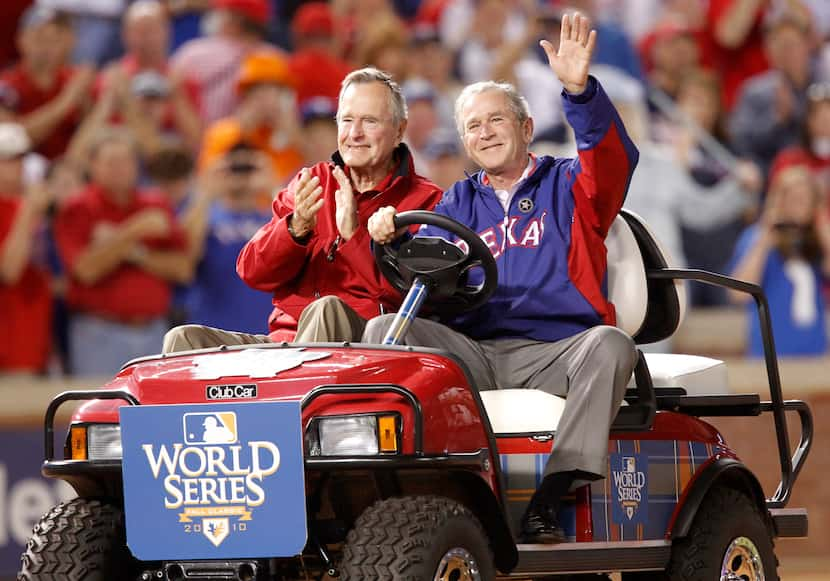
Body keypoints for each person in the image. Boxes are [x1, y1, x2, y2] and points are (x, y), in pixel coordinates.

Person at [363, 14, 639, 544]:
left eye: (496, 120)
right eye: (473, 126)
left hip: (556, 349)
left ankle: (556, 490)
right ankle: (400, 486)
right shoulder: (456, 203)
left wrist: (579, 93)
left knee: (610, 345)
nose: (484, 132)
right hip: (475, 350)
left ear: (526, 128)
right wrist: (387, 239)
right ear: (464, 142)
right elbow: (426, 285)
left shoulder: (570, 185)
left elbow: (611, 161)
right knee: (384, 333)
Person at [161, 67, 443, 352]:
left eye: (369, 121)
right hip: (284, 343)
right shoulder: (311, 182)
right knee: (183, 340)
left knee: (327, 310)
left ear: (399, 131)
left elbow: (416, 298)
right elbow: (252, 271)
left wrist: (354, 236)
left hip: (367, 350)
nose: (354, 133)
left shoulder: (426, 201)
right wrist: (295, 229)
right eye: (346, 120)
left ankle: (292, 390)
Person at [54, 128, 190, 376]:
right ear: (93, 165)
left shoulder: (155, 204)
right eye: (111, 162)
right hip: (98, 333)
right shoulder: (78, 208)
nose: (120, 168)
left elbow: (182, 269)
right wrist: (133, 231)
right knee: (101, 412)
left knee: (155, 411)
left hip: (154, 331)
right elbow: (86, 271)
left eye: (126, 161)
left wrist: (129, 251)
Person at [728, 165, 830, 357]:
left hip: (814, 352)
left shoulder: (816, 241)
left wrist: (822, 224)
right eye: (794, 198)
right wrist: (765, 238)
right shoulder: (756, 237)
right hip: (771, 353)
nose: (800, 205)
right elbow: (739, 294)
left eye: (806, 199)